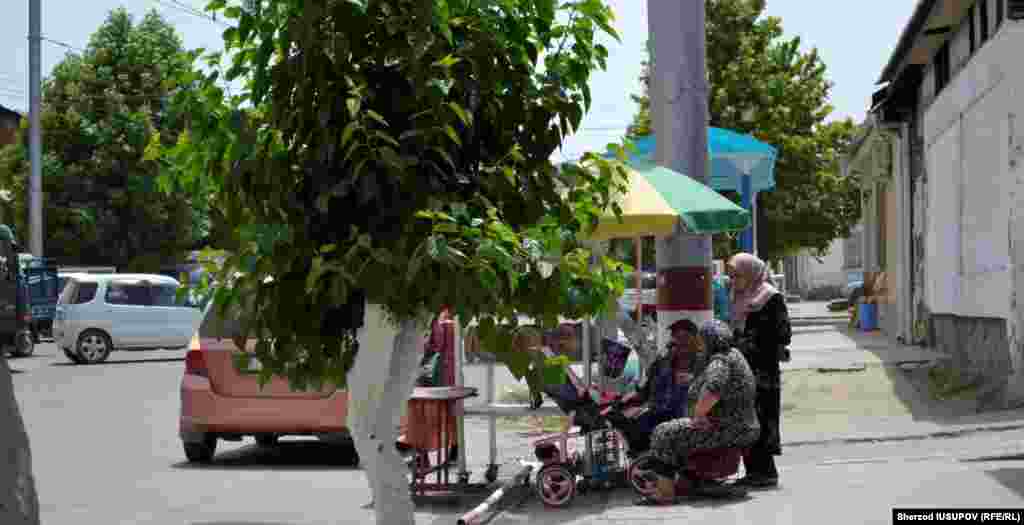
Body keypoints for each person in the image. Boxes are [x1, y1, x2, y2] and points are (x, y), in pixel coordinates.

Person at [636, 319, 760, 506]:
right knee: (675, 428)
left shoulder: (720, 360)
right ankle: (686, 481)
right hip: (737, 424)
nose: (699, 344)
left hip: (727, 426)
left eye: (701, 340)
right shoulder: (732, 354)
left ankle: (664, 492)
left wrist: (699, 416)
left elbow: (714, 389)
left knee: (663, 432)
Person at [727, 253, 792, 488]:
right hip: (742, 368)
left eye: (737, 275)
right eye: (730, 275)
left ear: (751, 273)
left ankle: (766, 473)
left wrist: (752, 341)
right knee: (745, 419)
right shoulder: (737, 296)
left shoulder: (770, 297)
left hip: (763, 371)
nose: (732, 280)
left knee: (762, 419)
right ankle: (754, 471)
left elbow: (784, 334)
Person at [613, 318, 700, 454]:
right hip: (657, 414)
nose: (678, 342)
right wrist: (626, 402)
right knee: (621, 421)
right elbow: (645, 391)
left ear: (695, 340)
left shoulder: (704, 364)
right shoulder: (662, 363)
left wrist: (694, 380)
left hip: (685, 421)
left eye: (683, 338)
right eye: (675, 337)